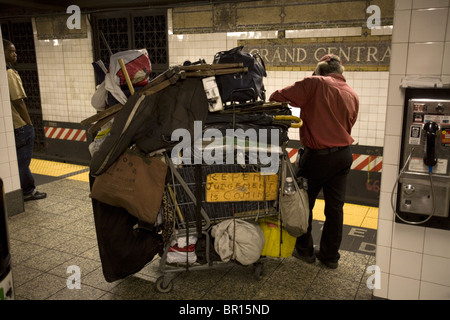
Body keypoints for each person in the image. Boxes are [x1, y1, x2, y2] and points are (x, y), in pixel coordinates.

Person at [269, 54, 359, 268]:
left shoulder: (315, 83)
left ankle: (305, 250)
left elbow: (276, 96)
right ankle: (330, 257)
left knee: (302, 202)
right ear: (340, 72)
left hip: (317, 157)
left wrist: (310, 85)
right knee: (335, 208)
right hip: (343, 155)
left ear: (319, 71)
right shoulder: (352, 93)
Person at [3, 39, 47, 201]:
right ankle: (28, 191)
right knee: (23, 161)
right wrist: (29, 123)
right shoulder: (8, 74)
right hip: (19, 125)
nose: (15, 54)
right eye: (11, 51)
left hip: (10, 126)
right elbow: (18, 101)